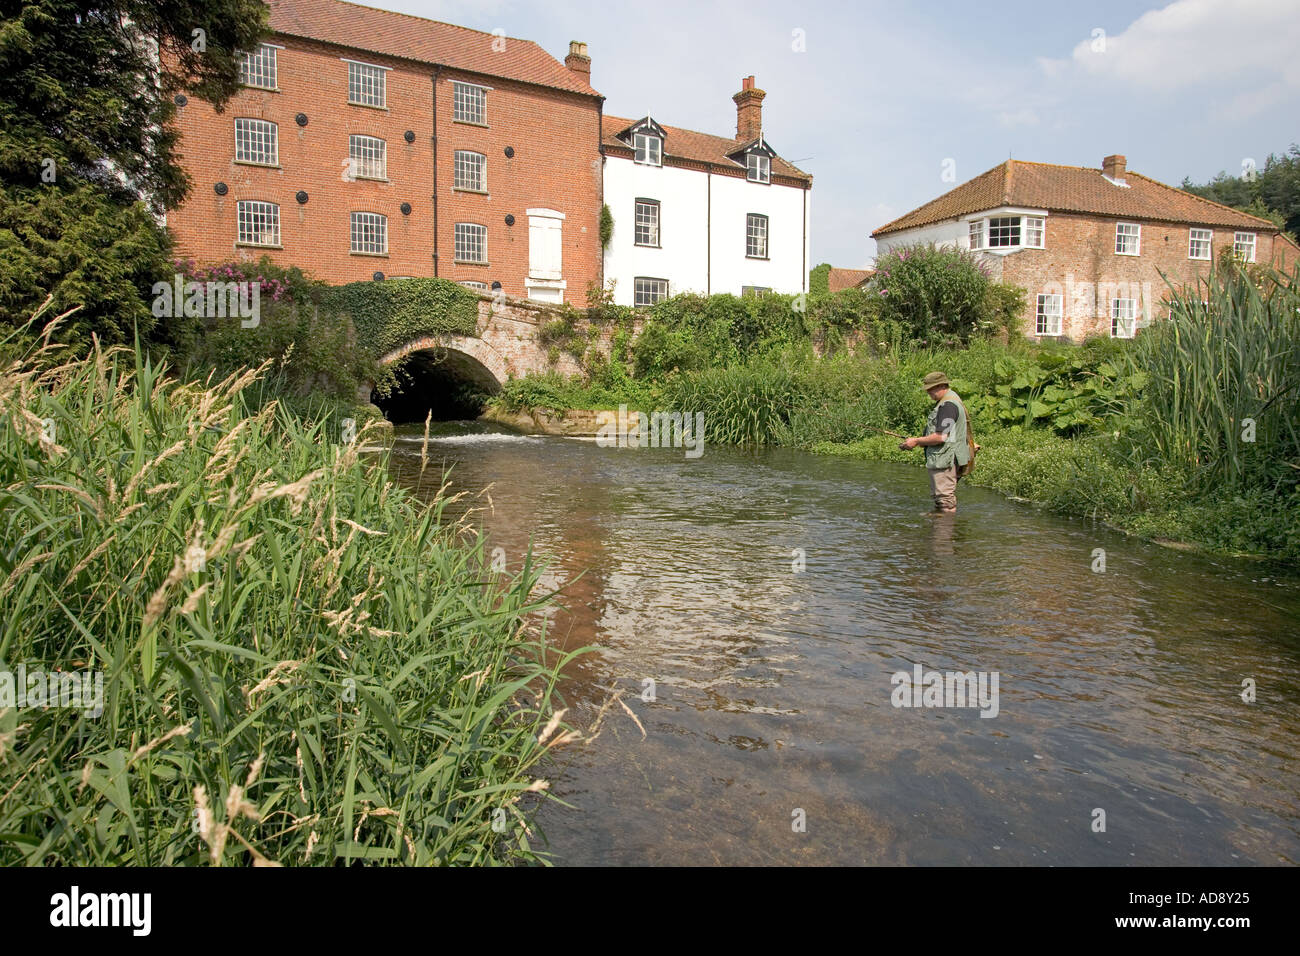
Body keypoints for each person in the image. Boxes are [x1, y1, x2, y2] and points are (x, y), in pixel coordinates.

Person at [898, 371, 970, 515]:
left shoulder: (948, 406)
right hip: (949, 458)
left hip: (946, 460)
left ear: (942, 385)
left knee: (945, 501)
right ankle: (940, 527)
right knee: (942, 499)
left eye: (932, 388)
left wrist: (916, 441)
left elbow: (941, 437)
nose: (929, 392)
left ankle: (943, 535)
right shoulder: (953, 398)